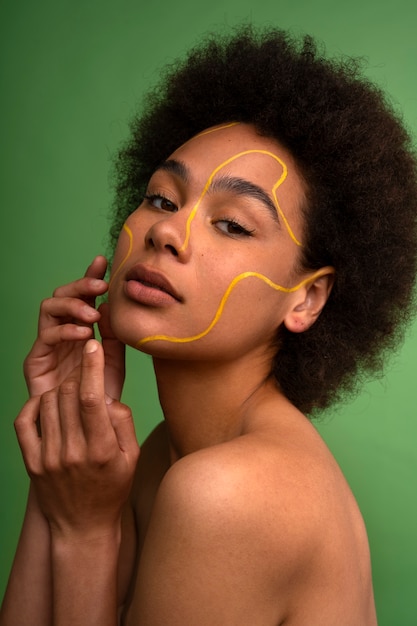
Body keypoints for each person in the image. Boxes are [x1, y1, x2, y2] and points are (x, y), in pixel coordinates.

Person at [1, 26, 417, 626]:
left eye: (233, 225)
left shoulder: (233, 493)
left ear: (307, 298)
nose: (165, 232)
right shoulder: (163, 457)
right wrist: (60, 444)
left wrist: (87, 530)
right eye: (163, 199)